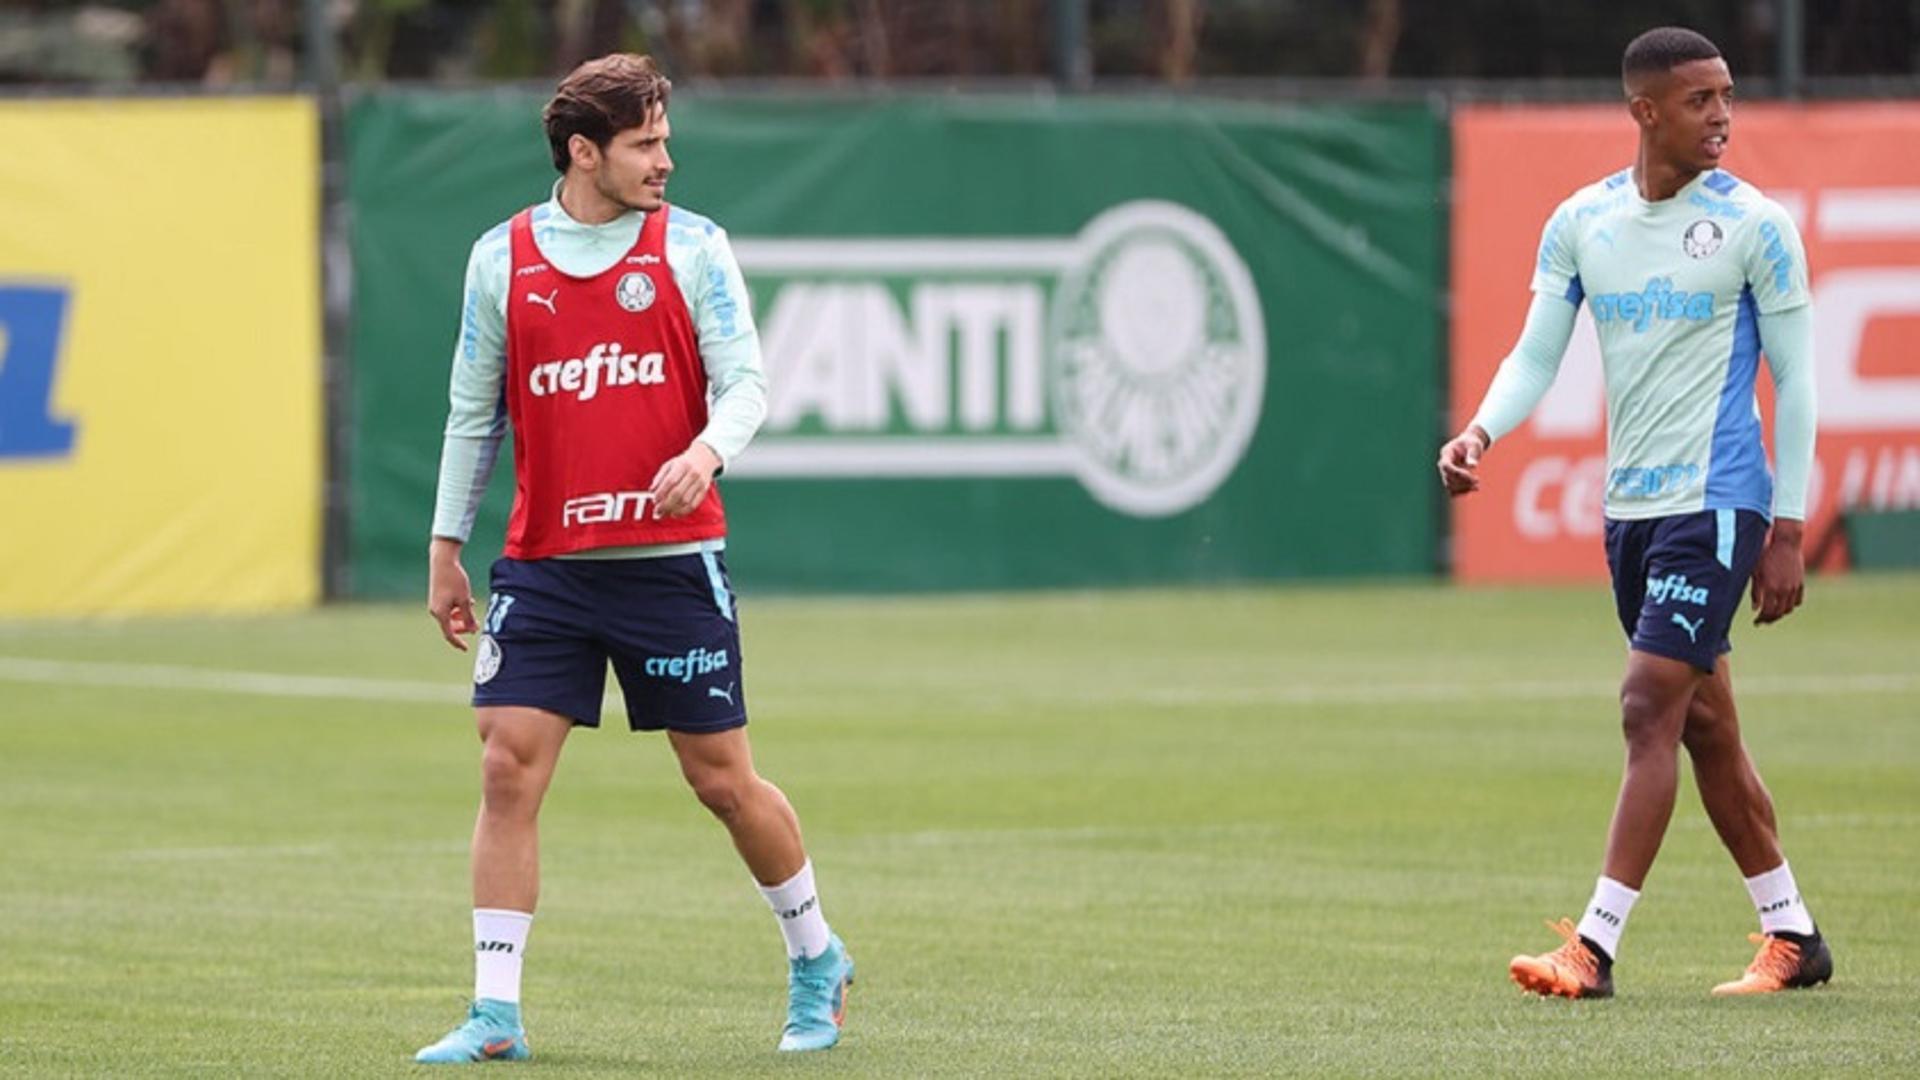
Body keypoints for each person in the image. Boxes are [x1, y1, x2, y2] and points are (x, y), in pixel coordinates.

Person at [413, 53, 853, 1063]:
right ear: (584, 152)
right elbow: (473, 415)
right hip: (549, 566)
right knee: (505, 767)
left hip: (669, 564)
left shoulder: (694, 249)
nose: (666, 159)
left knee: (721, 781)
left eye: (664, 138)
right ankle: (494, 1014)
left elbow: (747, 386)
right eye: (645, 142)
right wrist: (446, 548)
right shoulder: (503, 258)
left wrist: (705, 453)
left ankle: (817, 956)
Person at [1439, 26, 1829, 999]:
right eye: (1701, 100)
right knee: (1705, 731)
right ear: (1644, 110)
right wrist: (1482, 431)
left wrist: (1786, 529)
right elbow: (1537, 352)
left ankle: (1596, 946)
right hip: (1632, 513)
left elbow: (1801, 380)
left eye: (1729, 95)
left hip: (1721, 502)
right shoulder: (1584, 222)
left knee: (1644, 703)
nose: (1723, 116)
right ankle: (1795, 936)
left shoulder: (1756, 226)